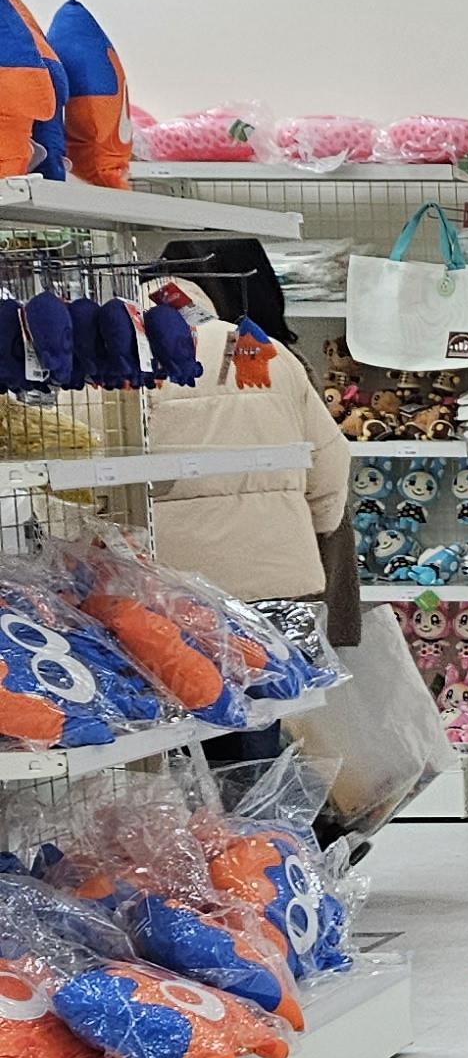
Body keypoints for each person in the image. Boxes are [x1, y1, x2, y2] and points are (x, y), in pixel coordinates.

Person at [139, 278, 357, 743]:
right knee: (263, 714)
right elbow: (332, 459)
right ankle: (261, 790)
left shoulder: (126, 360)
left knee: (176, 725)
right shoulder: (268, 353)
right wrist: (314, 527)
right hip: (276, 576)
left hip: (173, 584)